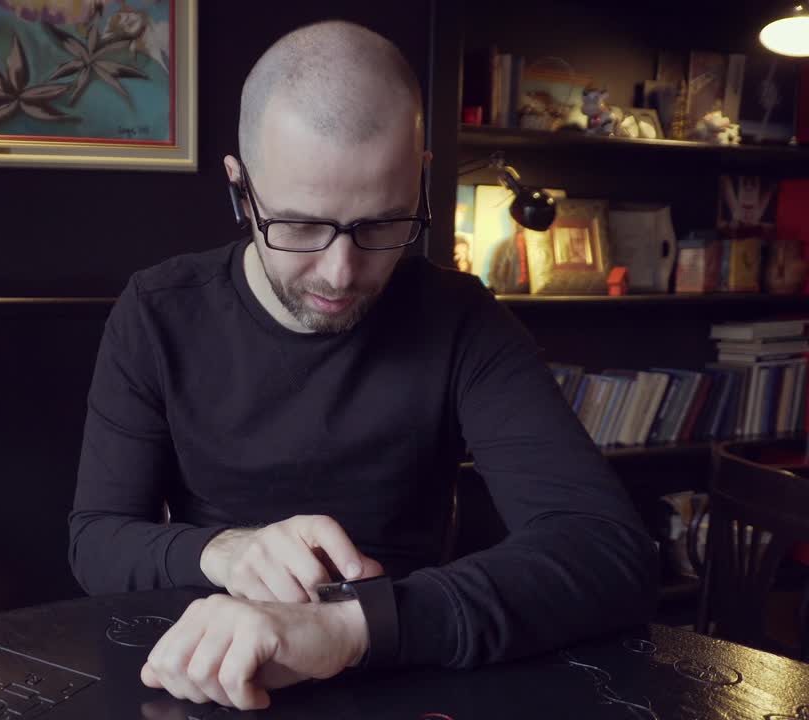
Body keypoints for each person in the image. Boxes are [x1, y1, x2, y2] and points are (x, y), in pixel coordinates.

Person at [68, 20, 658, 712]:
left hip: (414, 674)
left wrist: (350, 627)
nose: (341, 273)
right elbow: (98, 541)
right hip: (209, 673)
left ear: (420, 178)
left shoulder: (459, 317)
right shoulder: (158, 312)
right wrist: (222, 551)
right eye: (299, 225)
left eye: (382, 225)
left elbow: (609, 551)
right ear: (239, 188)